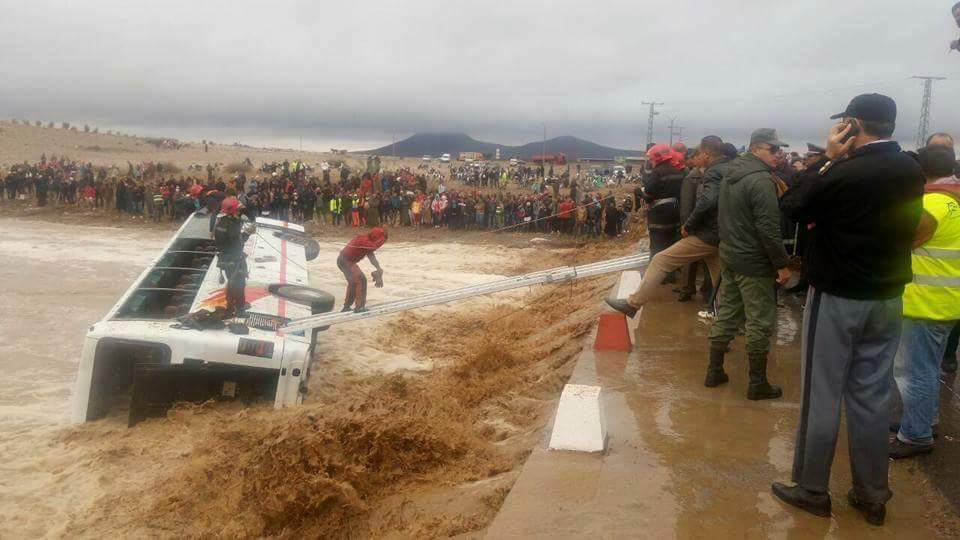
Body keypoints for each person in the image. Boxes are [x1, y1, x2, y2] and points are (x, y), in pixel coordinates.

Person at [772, 94, 924, 526]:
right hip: (888, 296)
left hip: (839, 295)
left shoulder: (846, 169)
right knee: (872, 396)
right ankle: (872, 494)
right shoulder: (910, 168)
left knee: (821, 393)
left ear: (853, 125)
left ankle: (811, 488)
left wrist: (829, 159)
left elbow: (794, 206)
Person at [703, 128, 792, 399]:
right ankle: (757, 383)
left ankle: (714, 371)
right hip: (754, 261)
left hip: (731, 255)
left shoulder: (732, 173)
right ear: (755, 149)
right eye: (772, 149)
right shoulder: (761, 180)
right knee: (760, 321)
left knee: (728, 311)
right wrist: (782, 264)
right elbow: (768, 228)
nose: (779, 154)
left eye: (780, 149)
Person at [606, 136, 730, 318]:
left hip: (706, 233)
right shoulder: (729, 168)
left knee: (660, 259)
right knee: (719, 277)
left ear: (706, 153)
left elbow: (707, 200)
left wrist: (689, 224)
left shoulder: (711, 172)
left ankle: (632, 304)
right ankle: (728, 316)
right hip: (722, 232)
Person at [888, 145, 960, 459]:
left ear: (921, 170)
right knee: (926, 367)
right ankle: (921, 421)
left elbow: (897, 240)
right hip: (945, 301)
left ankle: (915, 436)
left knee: (914, 371)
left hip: (924, 303)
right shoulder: (954, 200)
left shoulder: (930, 205)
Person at [213, 196, 255, 317]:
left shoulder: (222, 222)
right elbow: (238, 243)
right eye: (238, 209)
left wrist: (241, 210)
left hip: (225, 259)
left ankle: (230, 307)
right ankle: (239, 310)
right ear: (233, 211)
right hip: (234, 259)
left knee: (231, 283)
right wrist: (247, 233)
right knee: (239, 284)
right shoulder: (231, 225)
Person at [337, 227, 387, 313]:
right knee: (361, 279)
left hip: (346, 261)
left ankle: (347, 307)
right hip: (345, 261)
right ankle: (360, 307)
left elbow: (371, 257)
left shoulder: (367, 242)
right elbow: (373, 246)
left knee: (353, 282)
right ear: (376, 237)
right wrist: (378, 273)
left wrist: (378, 268)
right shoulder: (364, 241)